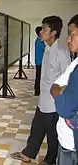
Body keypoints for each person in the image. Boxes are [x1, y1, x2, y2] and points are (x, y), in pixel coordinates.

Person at [10, 16, 71, 165]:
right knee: (37, 127)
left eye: (45, 29)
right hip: (43, 98)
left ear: (53, 33)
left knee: (52, 133)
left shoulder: (61, 51)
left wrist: (61, 101)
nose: (41, 32)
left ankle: (50, 160)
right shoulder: (47, 48)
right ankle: (28, 153)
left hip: (53, 102)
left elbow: (67, 78)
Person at [50, 14, 78, 165]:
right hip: (67, 141)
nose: (68, 39)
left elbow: (65, 109)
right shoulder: (75, 64)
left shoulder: (62, 53)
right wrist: (61, 90)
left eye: (71, 34)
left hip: (72, 146)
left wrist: (61, 91)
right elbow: (55, 86)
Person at [34, 26, 46, 96]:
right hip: (40, 62)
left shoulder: (38, 40)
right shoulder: (40, 41)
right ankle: (37, 91)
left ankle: (37, 90)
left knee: (38, 76)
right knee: (39, 77)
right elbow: (45, 50)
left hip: (38, 61)